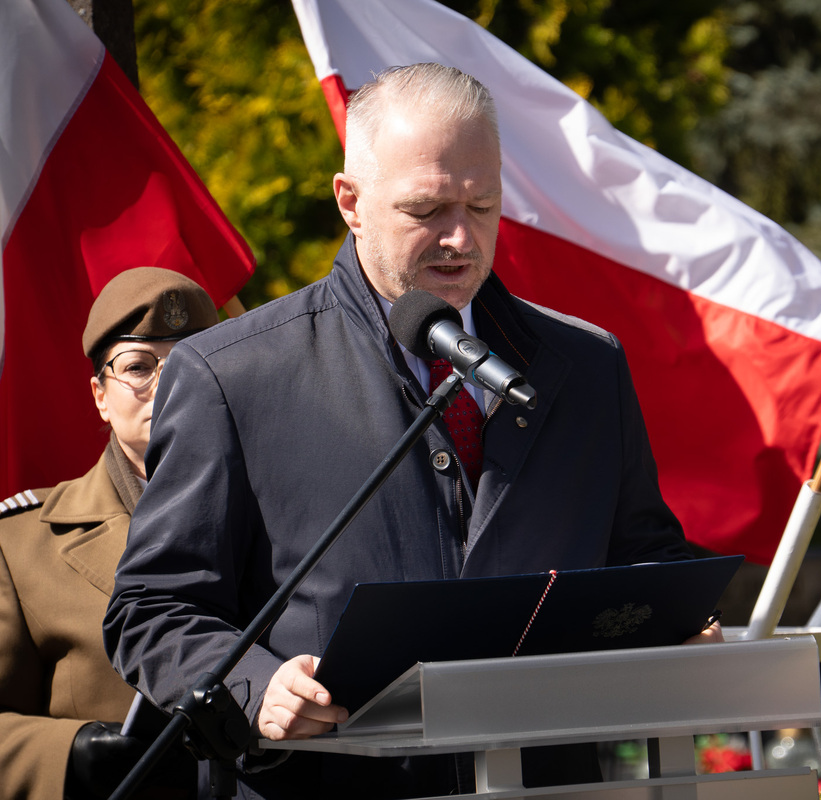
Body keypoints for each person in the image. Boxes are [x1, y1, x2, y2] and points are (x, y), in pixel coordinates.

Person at [104, 64, 698, 799]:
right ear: (351, 202)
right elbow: (151, 609)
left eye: (482, 205)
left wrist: (677, 618)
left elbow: (645, 559)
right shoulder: (233, 374)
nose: (460, 237)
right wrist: (257, 685)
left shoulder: (586, 366)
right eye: (426, 209)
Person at [0, 268, 217, 800]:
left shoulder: (292, 517)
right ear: (100, 395)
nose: (166, 387)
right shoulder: (20, 546)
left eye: (189, 364)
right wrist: (67, 753)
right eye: (138, 367)